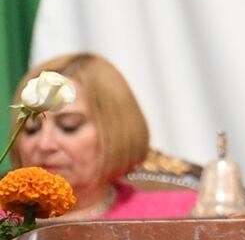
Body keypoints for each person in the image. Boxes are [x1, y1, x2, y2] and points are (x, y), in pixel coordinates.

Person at [11, 53, 197, 219]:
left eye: (69, 126)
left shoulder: (180, 213)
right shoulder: (5, 219)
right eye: (31, 129)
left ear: (115, 131)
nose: (44, 144)